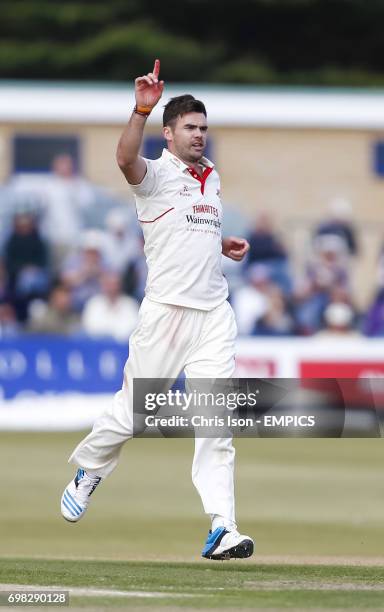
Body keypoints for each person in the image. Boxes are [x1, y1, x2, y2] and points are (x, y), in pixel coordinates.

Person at [60, 59, 254, 561]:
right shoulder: (154, 174)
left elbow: (188, 231)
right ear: (167, 134)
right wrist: (140, 108)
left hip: (214, 314)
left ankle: (222, 527)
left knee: (217, 422)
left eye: (204, 128)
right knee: (134, 413)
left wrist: (219, 243)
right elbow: (125, 160)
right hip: (166, 315)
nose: (199, 136)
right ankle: (91, 468)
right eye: (190, 128)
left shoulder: (211, 176)